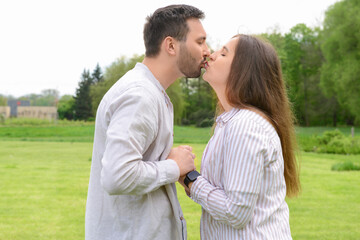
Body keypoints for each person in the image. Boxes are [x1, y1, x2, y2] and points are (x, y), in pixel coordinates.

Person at [85, 4, 210, 240]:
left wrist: (165, 158)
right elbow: (117, 176)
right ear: (171, 45)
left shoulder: (149, 92)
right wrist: (174, 167)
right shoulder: (140, 95)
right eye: (200, 41)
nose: (207, 50)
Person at [179, 34, 301, 239]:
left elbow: (235, 212)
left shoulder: (245, 125)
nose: (212, 54)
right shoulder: (230, 122)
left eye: (224, 53)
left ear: (244, 71)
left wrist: (189, 178)